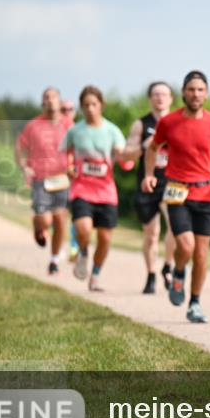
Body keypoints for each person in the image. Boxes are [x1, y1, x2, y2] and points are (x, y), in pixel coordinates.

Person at [142, 70, 210, 323]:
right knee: (185, 246)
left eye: (200, 90)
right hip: (177, 189)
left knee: (200, 254)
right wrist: (148, 174)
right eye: (191, 89)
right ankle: (178, 273)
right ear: (183, 93)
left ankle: (195, 303)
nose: (195, 94)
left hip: (207, 193)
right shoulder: (169, 122)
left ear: (206, 94)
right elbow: (153, 148)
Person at [61, 86, 127, 292]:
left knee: (105, 238)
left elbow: (124, 159)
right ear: (81, 107)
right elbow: (66, 153)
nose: (90, 109)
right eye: (86, 105)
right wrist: (69, 166)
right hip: (82, 189)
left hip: (106, 191)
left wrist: (124, 157)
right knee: (83, 229)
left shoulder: (112, 131)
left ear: (101, 106)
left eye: (94, 104)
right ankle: (82, 252)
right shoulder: (75, 131)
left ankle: (96, 274)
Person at [123, 81, 177, 294]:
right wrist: (144, 146)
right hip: (147, 181)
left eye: (164, 94)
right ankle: (151, 274)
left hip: (172, 180)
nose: (160, 98)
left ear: (171, 98)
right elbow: (126, 154)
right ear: (150, 98)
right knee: (151, 233)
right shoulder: (141, 124)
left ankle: (168, 265)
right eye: (156, 94)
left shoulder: (177, 122)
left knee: (175, 226)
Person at [16, 87, 72, 275]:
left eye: (53, 97)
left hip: (63, 178)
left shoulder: (69, 125)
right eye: (46, 98)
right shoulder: (33, 126)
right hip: (41, 179)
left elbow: (78, 149)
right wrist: (25, 168)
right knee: (45, 220)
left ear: (59, 101)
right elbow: (20, 149)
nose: (50, 101)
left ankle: (54, 260)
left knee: (60, 219)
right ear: (42, 103)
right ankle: (38, 226)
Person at [60, 99, 82, 262]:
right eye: (63, 109)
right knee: (58, 214)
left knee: (75, 214)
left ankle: (74, 246)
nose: (67, 111)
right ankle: (59, 244)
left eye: (70, 109)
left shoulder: (79, 130)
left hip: (74, 178)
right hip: (56, 177)